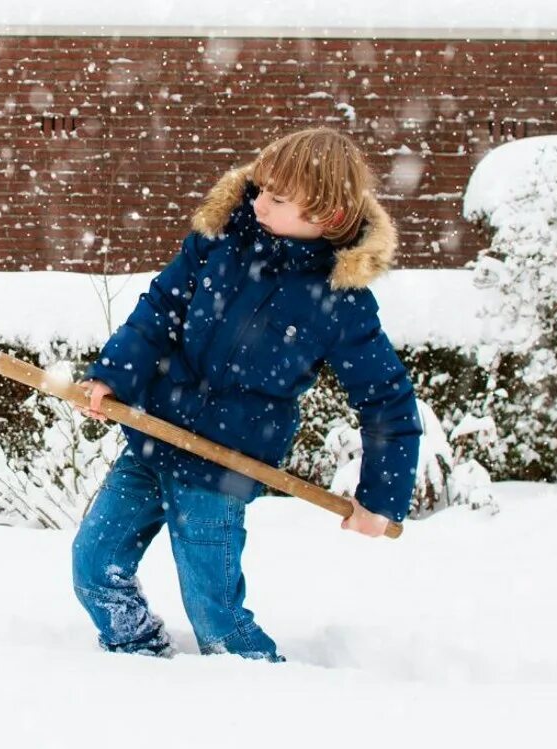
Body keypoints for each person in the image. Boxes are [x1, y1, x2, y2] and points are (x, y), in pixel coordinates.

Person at [71, 127, 423, 662]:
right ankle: (137, 655)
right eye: (260, 188)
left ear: (325, 216)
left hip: (225, 463)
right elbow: (159, 310)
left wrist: (380, 500)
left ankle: (259, 686)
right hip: (152, 436)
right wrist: (112, 376)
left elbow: (387, 401)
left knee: (215, 613)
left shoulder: (340, 299)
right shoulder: (217, 244)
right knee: (94, 565)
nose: (257, 202)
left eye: (278, 199)